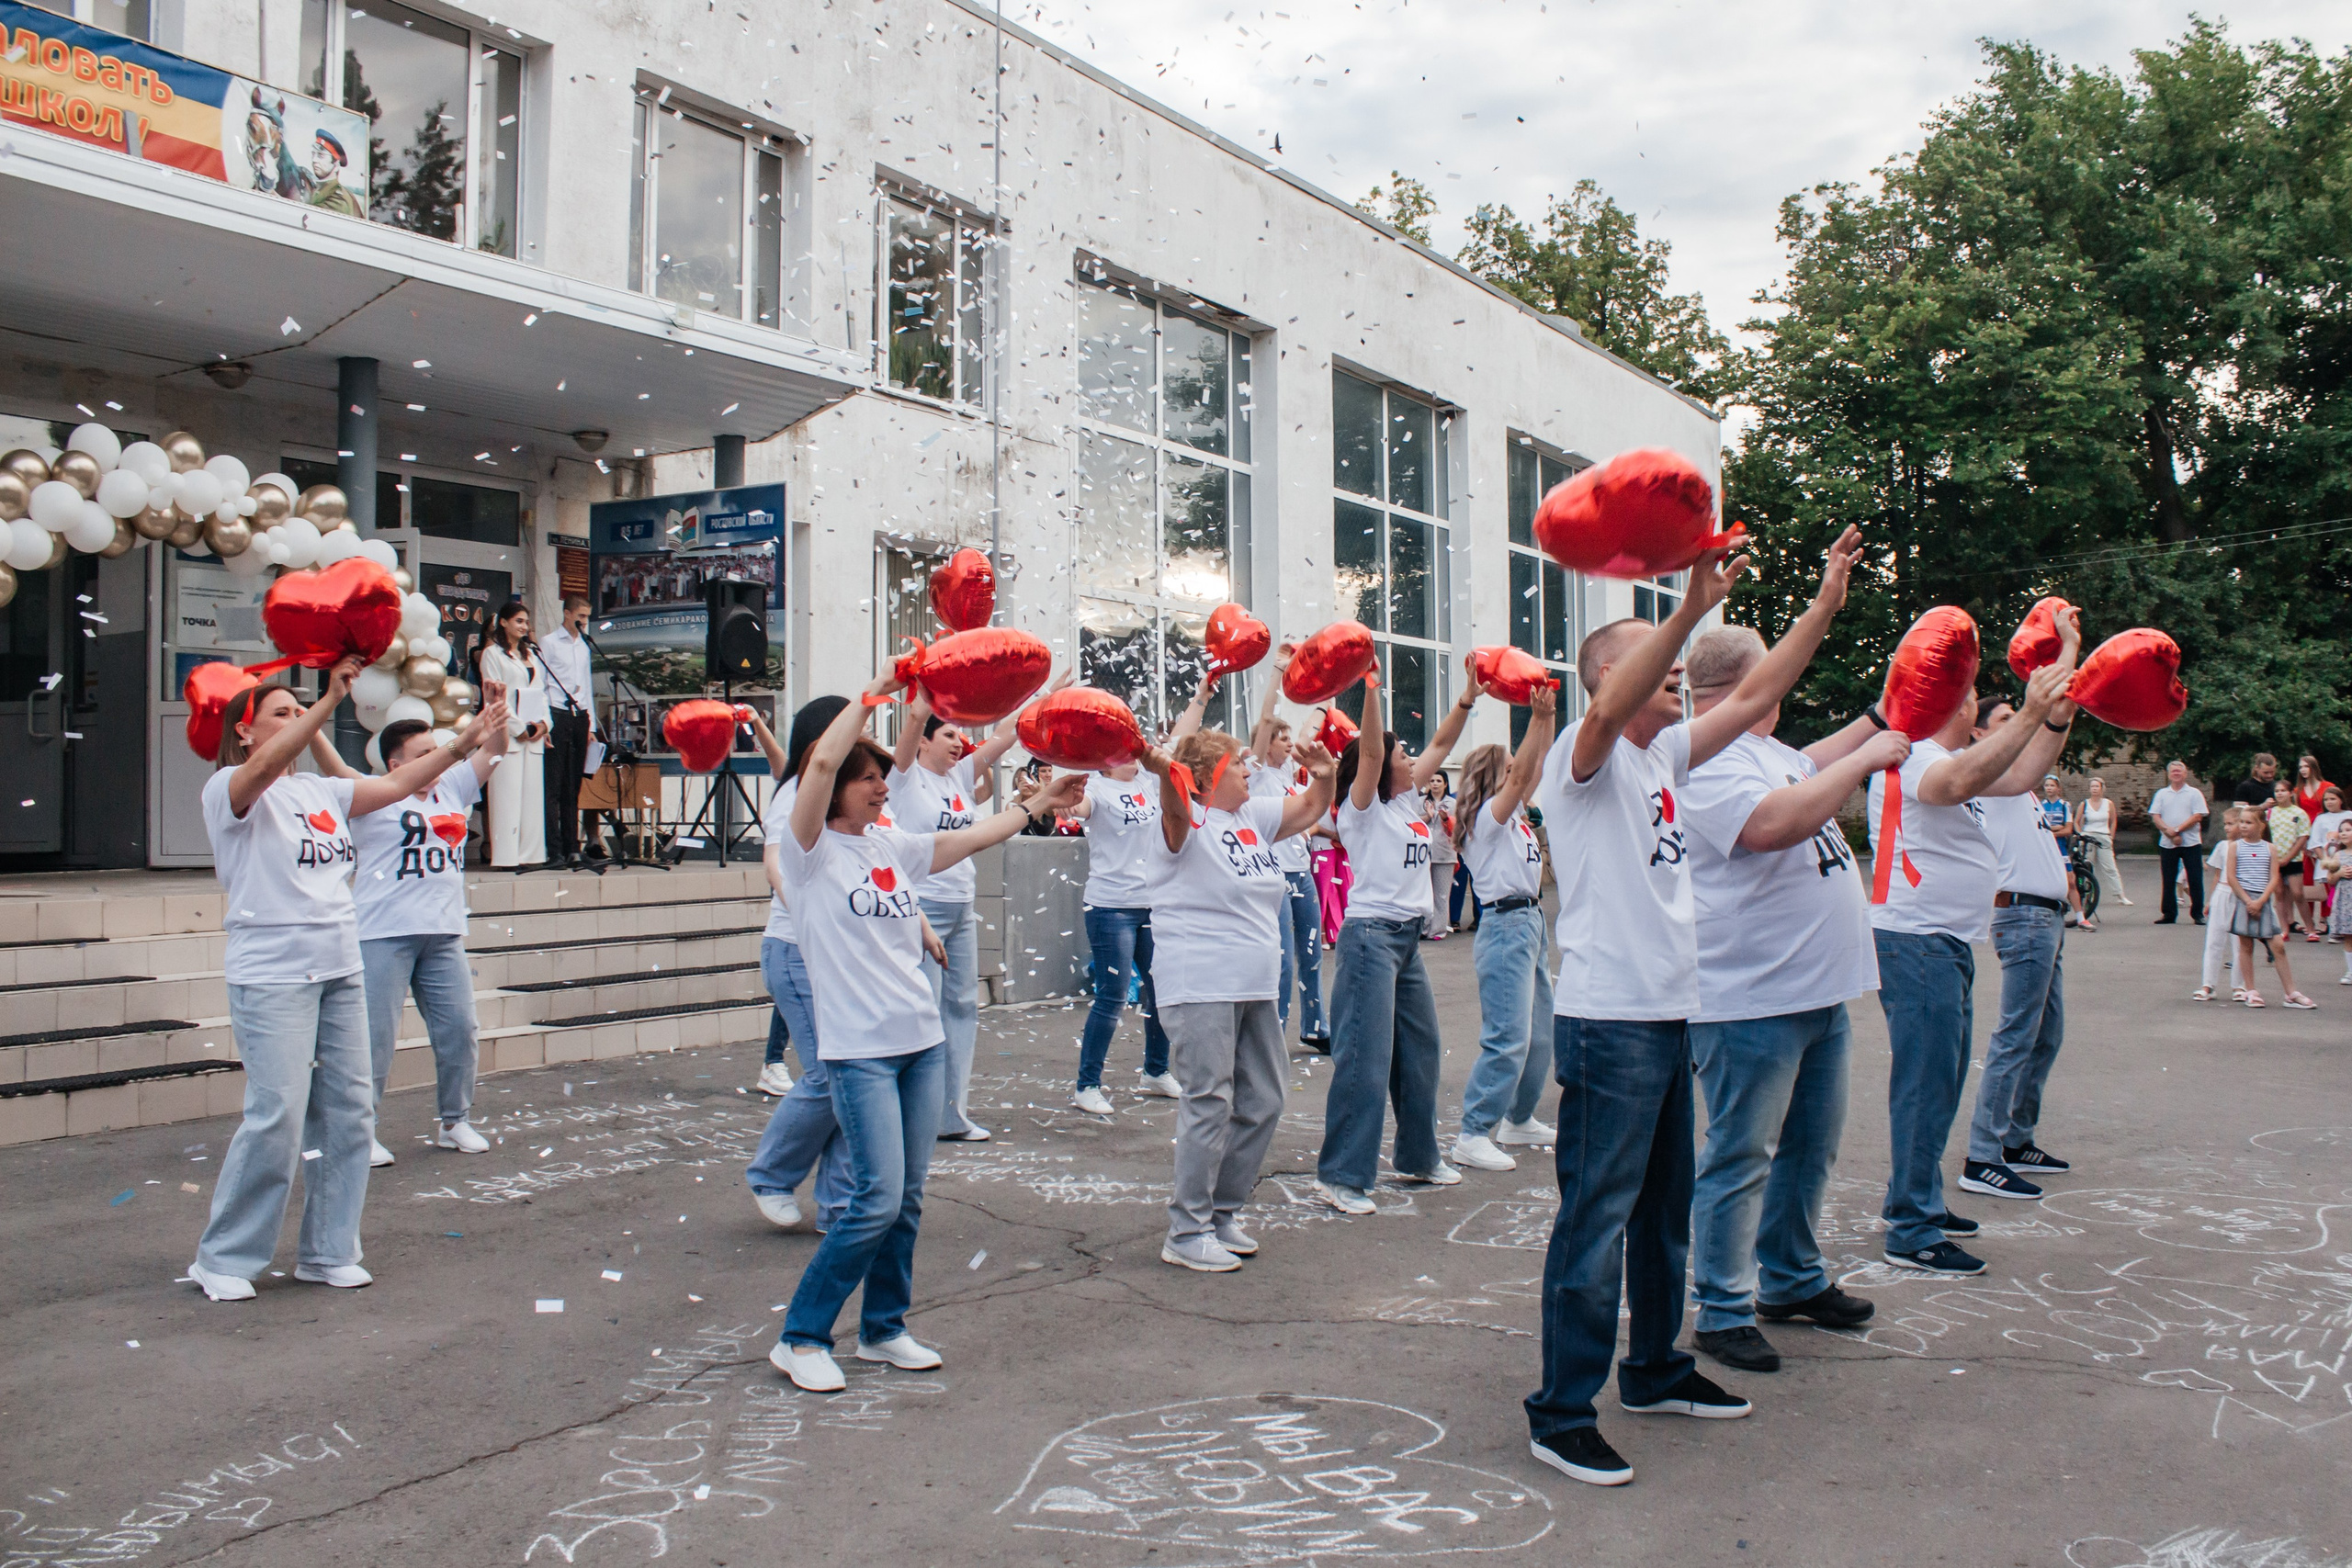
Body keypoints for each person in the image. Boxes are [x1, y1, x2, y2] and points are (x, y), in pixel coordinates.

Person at [1523, 530, 1857, 1489]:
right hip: (1608, 1023)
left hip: (1671, 1014)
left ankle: (1657, 1369)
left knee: (1664, 1214)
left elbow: (1753, 695)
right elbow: (1623, 701)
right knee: (1595, 1220)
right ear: (1604, 684)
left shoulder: (1664, 754)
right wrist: (1687, 609)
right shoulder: (1581, 763)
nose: (1672, 675)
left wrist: (1826, 602)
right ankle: (1558, 1412)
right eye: (1648, 662)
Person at [768, 671, 1083, 1392]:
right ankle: (802, 1335)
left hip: (919, 1045)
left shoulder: (891, 847)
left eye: (884, 777)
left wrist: (1037, 801)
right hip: (860, 1054)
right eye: (869, 778)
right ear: (838, 786)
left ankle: (883, 1328)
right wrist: (871, 695)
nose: (882, 788)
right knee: (874, 1198)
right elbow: (817, 762)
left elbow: (971, 836)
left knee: (906, 1199)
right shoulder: (809, 853)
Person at [187, 660, 503, 1302]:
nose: (295, 720)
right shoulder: (229, 786)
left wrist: (463, 742)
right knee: (276, 1113)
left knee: (349, 1112)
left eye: (296, 710)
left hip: (339, 967)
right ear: (244, 732)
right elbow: (265, 766)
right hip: (273, 972)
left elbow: (397, 784)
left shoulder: (319, 793)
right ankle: (224, 1256)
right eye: (280, 713)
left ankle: (329, 1249)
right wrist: (329, 698)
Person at [1679, 626, 1912, 1374]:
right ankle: (1721, 1307)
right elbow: (1772, 823)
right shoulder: (1704, 753)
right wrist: (1870, 758)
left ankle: (1790, 1276)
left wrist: (1877, 720)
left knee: (1810, 1147)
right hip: (1750, 998)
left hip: (1812, 992)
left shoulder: (1767, 750)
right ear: (1758, 682)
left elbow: (1811, 762)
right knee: (1743, 1153)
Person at [1869, 644, 2077, 1280]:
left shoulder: (1952, 756)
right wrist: (2032, 709)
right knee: (1926, 1086)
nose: (1973, 700)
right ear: (1949, 705)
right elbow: (1957, 783)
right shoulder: (1918, 755)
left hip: (1943, 942)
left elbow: (2019, 773)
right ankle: (1911, 1227)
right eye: (1967, 694)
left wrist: (2058, 716)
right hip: (1918, 941)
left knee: (1942, 1079)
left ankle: (1920, 1200)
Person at [1137, 725, 1338, 1269]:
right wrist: (1161, 768)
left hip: (1253, 985)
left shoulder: (1251, 818)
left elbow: (1310, 806)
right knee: (1210, 1100)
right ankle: (1186, 1231)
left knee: (1264, 1099)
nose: (1249, 770)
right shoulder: (1185, 819)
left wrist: (1326, 772)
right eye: (1237, 764)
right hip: (1199, 981)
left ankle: (1221, 1212)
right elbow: (1177, 808)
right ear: (1206, 776)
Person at [746, 698, 948, 1234]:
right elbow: (776, 861)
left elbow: (888, 871)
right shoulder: (797, 797)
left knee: (854, 1086)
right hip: (797, 952)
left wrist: (915, 922)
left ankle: (840, 1206)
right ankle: (774, 1176)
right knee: (834, 1079)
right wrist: (818, 918)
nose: (878, 781)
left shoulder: (867, 807)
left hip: (846, 952)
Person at [306, 689, 512, 1167]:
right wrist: (313, 726)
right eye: (424, 755)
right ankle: (362, 1131)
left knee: (460, 1030)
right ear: (396, 763)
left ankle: (454, 1120)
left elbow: (495, 751)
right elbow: (337, 768)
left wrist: (497, 714)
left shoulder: (453, 788)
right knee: (374, 1040)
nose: (436, 761)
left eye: (437, 751)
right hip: (383, 933)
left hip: (442, 934)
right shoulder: (374, 794)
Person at [1310, 655, 1476, 1215]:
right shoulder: (1361, 808)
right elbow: (1376, 749)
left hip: (1405, 941)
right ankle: (1340, 1176)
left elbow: (1443, 742)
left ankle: (1418, 1157)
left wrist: (1468, 697)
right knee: (1365, 1057)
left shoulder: (1407, 801)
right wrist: (1372, 686)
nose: (1412, 759)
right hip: (1369, 940)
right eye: (1402, 755)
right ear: (1380, 767)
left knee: (1420, 1051)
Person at [1963, 682, 2090, 1209]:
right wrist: (2051, 719)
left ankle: (2016, 1140)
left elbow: (2039, 755)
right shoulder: (1983, 770)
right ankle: (1983, 1157)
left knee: (2046, 1034)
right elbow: (2030, 754)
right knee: (2017, 1034)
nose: (2016, 725)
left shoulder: (2022, 781)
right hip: (2023, 917)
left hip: (2047, 917)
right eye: (2003, 720)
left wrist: (2062, 713)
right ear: (1977, 733)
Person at [887, 694, 1020, 1141]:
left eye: (960, 736)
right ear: (923, 742)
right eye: (947, 734)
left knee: (961, 1008)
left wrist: (1040, 696)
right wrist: (925, 699)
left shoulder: (960, 776)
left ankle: (950, 1114)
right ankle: (912, 1113)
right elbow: (910, 729)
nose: (958, 743)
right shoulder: (903, 779)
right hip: (921, 909)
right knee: (923, 1012)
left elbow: (1006, 736)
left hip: (963, 906)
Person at [1445, 682, 1561, 1176]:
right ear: (1495, 776)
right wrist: (1534, 720)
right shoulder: (1486, 819)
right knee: (1508, 1034)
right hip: (1505, 924)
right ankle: (1473, 1133)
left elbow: (1539, 764)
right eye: (1509, 766)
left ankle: (1518, 1118)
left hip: (1530, 920)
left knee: (1540, 1033)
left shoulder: (1511, 815)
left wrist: (1547, 717)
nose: (1520, 772)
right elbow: (1521, 778)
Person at [1066, 748, 1180, 1115]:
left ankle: (1156, 1071)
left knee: (1161, 988)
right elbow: (1079, 808)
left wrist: (1204, 696)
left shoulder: (1148, 782)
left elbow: (1176, 742)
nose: (1133, 756)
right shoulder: (1097, 789)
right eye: (1124, 752)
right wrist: (1069, 802)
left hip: (1151, 904)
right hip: (1110, 906)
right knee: (1113, 996)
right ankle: (1087, 1085)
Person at [1249, 665, 1329, 1047]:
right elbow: (1266, 718)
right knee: (1281, 961)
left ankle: (1315, 1027)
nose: (1286, 743)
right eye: (1279, 739)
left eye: (1285, 738)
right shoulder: (1258, 773)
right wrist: (1278, 670)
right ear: (1265, 745)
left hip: (1302, 874)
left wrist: (1327, 698)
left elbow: (1308, 733)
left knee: (1312, 954)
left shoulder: (1289, 775)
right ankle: (1275, 1035)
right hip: (1274, 876)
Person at [478, 601, 548, 868]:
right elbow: (495, 698)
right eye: (518, 621)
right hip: (509, 733)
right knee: (507, 796)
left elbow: (541, 692)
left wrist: (543, 724)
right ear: (504, 623)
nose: (524, 626)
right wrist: (521, 728)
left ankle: (531, 855)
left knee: (532, 797)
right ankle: (506, 856)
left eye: (526, 622)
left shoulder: (530, 655)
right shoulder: (492, 655)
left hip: (534, 736)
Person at [2226, 807, 2314, 1010]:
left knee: (2278, 946)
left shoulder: (2270, 848)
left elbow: (2274, 877)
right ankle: (2251, 990)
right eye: (2242, 822)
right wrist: (2248, 900)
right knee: (2246, 946)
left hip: (2263, 901)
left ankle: (2291, 992)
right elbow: (2232, 877)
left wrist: (2261, 900)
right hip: (2244, 899)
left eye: (2249, 822)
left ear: (2261, 825)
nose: (2243, 826)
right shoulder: (2235, 847)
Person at [538, 594, 599, 868]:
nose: (584, 621)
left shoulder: (584, 645)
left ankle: (574, 846)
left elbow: (586, 685)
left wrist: (591, 725)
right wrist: (544, 721)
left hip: (579, 716)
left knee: (573, 786)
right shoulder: (549, 643)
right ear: (567, 614)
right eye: (581, 615)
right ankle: (555, 849)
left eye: (587, 616)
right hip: (557, 713)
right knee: (554, 784)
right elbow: (542, 683)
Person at [2193, 807, 2249, 1002]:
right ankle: (2208, 985)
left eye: (2230, 823)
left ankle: (2239, 986)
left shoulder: (2248, 847)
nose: (2227, 827)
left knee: (2240, 943)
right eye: (2225, 824)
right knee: (2214, 940)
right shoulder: (2222, 846)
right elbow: (2218, 874)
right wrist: (2211, 899)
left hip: (2241, 896)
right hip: (2222, 893)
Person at [2148, 761, 2209, 925]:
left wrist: (2178, 830)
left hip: (2191, 842)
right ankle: (2168, 914)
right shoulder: (2162, 794)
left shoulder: (2194, 793)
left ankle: (2197, 913)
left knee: (2195, 878)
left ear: (2185, 774)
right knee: (2168, 878)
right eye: (2173, 771)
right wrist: (2169, 832)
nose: (2176, 774)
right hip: (2168, 843)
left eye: (2179, 771)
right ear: (2168, 774)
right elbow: (2155, 816)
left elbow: (2198, 816)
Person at [2038, 775, 2091, 931]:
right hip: (2045, 848)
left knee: (2071, 881)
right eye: (2046, 785)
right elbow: (2038, 827)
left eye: (2052, 785)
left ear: (2058, 788)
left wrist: (2052, 831)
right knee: (2044, 881)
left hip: (2060, 847)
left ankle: (2081, 918)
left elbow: (2068, 829)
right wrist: (2056, 828)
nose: (2049, 788)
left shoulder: (2064, 806)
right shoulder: (2041, 806)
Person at [2075, 777, 2130, 908]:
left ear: (2102, 788)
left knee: (2110, 867)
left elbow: (2113, 820)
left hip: (2103, 836)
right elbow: (2076, 821)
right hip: (2088, 836)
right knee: (2087, 867)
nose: (2094, 789)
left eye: (2097, 786)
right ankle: (2088, 893)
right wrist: (2081, 834)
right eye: (2092, 786)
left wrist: (2111, 835)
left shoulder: (2108, 803)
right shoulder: (2084, 804)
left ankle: (2120, 895)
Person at [2268, 780, 2312, 939]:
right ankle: (2284, 928)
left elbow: (2302, 837)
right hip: (2275, 859)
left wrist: (2289, 857)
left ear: (2291, 793)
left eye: (2283, 790)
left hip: (2293, 859)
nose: (2279, 793)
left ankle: (2310, 928)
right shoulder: (2271, 812)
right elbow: (2266, 834)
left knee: (2297, 893)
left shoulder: (2299, 813)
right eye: (2277, 791)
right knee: (2279, 893)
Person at [1420, 775, 1458, 941]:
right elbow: (1412, 821)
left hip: (1444, 852)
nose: (1435, 784)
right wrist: (1428, 816)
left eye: (1438, 781)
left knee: (1441, 894)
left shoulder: (1452, 803)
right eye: (1432, 781)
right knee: (1424, 892)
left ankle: (1438, 929)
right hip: (1423, 852)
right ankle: (1424, 927)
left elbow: (1457, 826)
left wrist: (1445, 818)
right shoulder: (1421, 801)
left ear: (1445, 784)